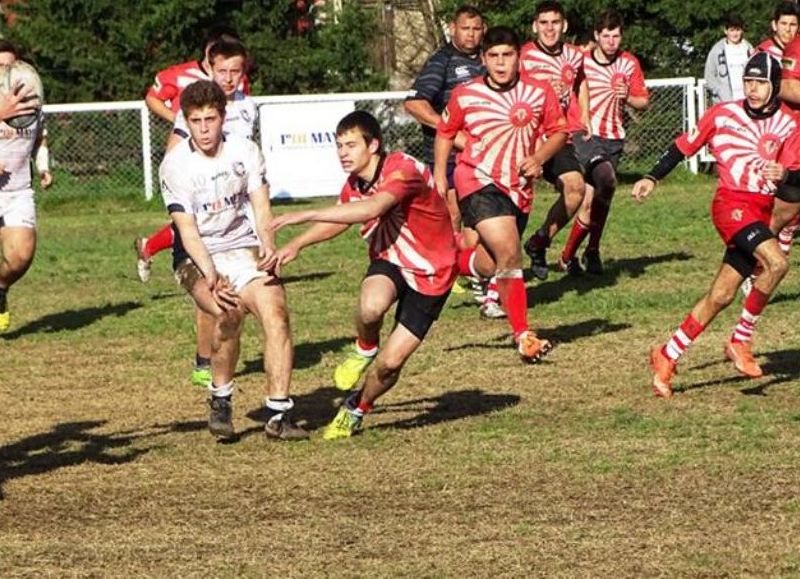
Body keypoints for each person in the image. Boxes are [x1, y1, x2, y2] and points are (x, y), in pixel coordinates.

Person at [266, 111, 457, 440]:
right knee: (370, 307)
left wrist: (304, 213)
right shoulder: (355, 181)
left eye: (351, 145)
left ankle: (357, 406)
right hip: (391, 259)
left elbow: (371, 209)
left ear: (374, 145)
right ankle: (365, 346)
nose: (343, 152)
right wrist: (297, 244)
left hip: (433, 272)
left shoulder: (402, 169)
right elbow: (342, 217)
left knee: (391, 364)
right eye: (339, 145)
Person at [631, 52, 799, 398]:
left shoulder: (789, 124)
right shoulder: (722, 114)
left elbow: (796, 182)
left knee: (721, 295)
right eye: (748, 81)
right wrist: (652, 176)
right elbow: (681, 147)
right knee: (778, 262)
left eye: (761, 83)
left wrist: (785, 175)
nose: (752, 89)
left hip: (760, 209)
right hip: (731, 205)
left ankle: (667, 355)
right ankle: (740, 340)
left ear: (776, 86)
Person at [160, 80, 307, 441]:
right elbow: (187, 231)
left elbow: (260, 205)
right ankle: (221, 399)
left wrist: (268, 245)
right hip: (198, 257)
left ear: (223, 118)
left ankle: (277, 413)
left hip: (243, 247)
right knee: (228, 314)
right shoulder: (175, 165)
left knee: (277, 314)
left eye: (211, 118)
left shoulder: (245, 150)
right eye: (196, 121)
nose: (205, 128)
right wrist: (210, 275)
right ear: (186, 122)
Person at [435, 26, 567, 363]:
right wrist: (439, 177)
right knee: (510, 250)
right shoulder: (465, 94)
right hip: (476, 179)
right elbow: (445, 132)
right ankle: (524, 336)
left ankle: (449, 264)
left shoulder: (539, 92)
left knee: (494, 263)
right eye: (493, 56)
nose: (500, 63)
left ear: (518, 57)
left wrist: (539, 158)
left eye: (507, 55)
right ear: (483, 59)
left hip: (517, 187)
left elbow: (559, 132)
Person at [139, 39, 257, 389]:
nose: (230, 77)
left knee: (238, 293)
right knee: (211, 286)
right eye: (223, 70)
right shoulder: (194, 106)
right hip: (203, 207)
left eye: (236, 71)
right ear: (209, 65)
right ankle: (204, 359)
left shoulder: (249, 107)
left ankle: (211, 356)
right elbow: (175, 151)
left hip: (235, 209)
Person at [403, 5, 502, 318]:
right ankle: (458, 270)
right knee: (456, 212)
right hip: (451, 155)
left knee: (484, 213)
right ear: (453, 29)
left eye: (476, 29)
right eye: (465, 29)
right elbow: (415, 103)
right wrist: (453, 132)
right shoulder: (442, 61)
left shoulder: (491, 60)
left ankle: (468, 269)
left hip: (488, 153)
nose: (471, 35)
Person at [558, 9, 649, 274]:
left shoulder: (628, 63)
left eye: (616, 36)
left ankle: (585, 252)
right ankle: (572, 255)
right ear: (596, 36)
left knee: (600, 199)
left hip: (614, 137)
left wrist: (628, 97)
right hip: (586, 136)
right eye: (606, 35)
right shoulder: (581, 60)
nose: (611, 41)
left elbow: (643, 101)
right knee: (597, 189)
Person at [518, 0, 591, 279]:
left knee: (576, 189)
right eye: (544, 23)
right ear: (535, 26)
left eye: (555, 22)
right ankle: (491, 271)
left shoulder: (574, 55)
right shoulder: (522, 56)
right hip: (523, 138)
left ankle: (539, 242)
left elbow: (581, 81)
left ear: (565, 26)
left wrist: (584, 115)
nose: (550, 28)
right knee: (513, 206)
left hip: (556, 137)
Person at [0, 48, 53, 333]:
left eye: (12, 65)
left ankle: (0, 288)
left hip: (16, 190)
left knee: (21, 256)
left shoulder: (32, 103)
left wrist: (43, 167)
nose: (7, 73)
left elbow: (40, 139)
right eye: (0, 66)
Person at [704, 14, 754, 104]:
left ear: (742, 30)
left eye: (738, 30)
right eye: (732, 30)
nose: (735, 34)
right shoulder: (717, 50)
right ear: (725, 31)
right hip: (725, 102)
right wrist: (719, 91)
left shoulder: (748, 48)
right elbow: (709, 75)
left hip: (747, 101)